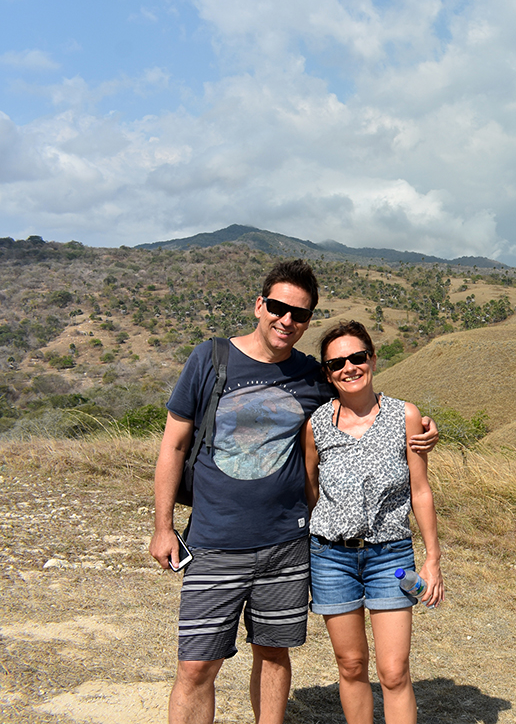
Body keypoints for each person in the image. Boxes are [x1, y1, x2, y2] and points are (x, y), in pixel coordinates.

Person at [150, 260, 438, 724]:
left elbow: (360, 402)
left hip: (287, 545)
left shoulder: (310, 375)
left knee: (273, 655)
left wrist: (421, 427)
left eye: (299, 314)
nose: (286, 320)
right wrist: (163, 527)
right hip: (213, 541)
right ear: (259, 305)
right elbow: (174, 445)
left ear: (307, 321)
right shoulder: (210, 359)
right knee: (197, 665)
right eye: (278, 307)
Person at [303, 320, 445, 724]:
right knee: (350, 665)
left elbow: (421, 490)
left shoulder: (406, 415)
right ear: (327, 373)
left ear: (373, 359)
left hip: (391, 558)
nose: (349, 368)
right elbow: (310, 489)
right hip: (331, 559)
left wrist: (432, 559)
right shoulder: (316, 425)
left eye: (357, 357)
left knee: (394, 671)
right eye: (336, 363)